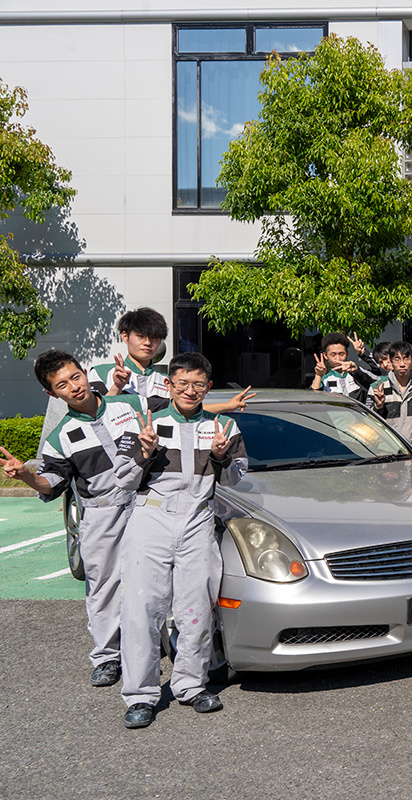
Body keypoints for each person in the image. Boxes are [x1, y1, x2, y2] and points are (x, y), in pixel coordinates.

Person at [113, 352, 248, 729]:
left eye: (198, 384)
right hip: (152, 518)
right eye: (183, 383)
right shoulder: (145, 422)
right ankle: (140, 694)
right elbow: (122, 480)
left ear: (209, 386)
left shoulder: (224, 426)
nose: (190, 390)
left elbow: (237, 477)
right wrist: (144, 453)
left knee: (197, 608)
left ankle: (190, 684)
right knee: (142, 608)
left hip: (198, 519)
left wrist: (221, 457)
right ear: (169, 385)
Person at [1, 350, 145, 688]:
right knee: (104, 586)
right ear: (52, 393)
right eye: (62, 385)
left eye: (76, 377)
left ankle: (165, 645)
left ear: (85, 373)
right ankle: (107, 657)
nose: (74, 387)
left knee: (160, 576)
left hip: (146, 502)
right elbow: (52, 484)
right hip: (102, 513)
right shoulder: (60, 437)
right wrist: (26, 475)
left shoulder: (131, 405)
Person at [90, 307, 253, 414]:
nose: (148, 343)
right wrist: (117, 387)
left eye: (154, 338)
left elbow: (187, 411)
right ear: (125, 336)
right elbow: (92, 412)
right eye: (141, 336)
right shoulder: (100, 373)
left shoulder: (167, 381)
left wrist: (228, 405)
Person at [372, 341, 412, 441]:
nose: (402, 364)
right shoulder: (377, 388)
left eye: (406, 359)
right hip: (387, 446)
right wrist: (378, 407)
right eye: (397, 359)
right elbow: (369, 422)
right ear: (391, 361)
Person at [311, 332, 374, 403]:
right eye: (333, 355)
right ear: (325, 356)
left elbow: (378, 373)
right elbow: (313, 399)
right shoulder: (324, 379)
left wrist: (363, 353)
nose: (338, 358)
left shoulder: (358, 374)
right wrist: (318, 375)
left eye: (341, 354)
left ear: (347, 353)